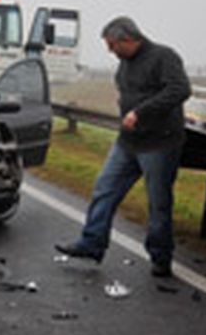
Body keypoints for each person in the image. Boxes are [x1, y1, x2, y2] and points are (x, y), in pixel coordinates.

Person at [54, 16, 191, 277]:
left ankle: (161, 257)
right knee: (104, 189)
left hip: (159, 144)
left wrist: (141, 112)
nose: (110, 51)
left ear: (128, 39)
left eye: (112, 45)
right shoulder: (124, 65)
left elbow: (180, 89)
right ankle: (92, 243)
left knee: (159, 202)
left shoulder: (164, 57)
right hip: (128, 143)